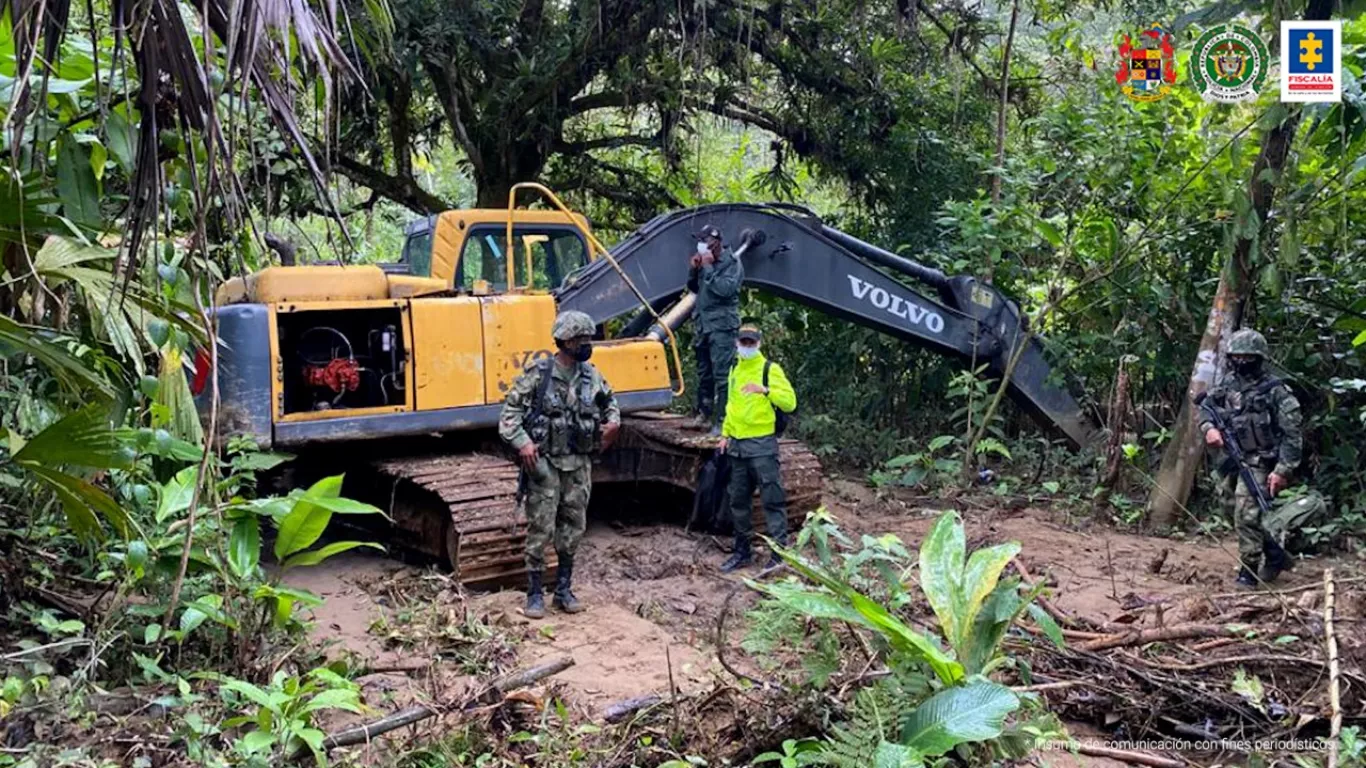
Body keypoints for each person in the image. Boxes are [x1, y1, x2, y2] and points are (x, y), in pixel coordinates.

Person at [499, 310, 621, 618]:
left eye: (588, 339)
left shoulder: (591, 375)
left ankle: (563, 590)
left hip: (579, 464)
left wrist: (613, 423)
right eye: (581, 339)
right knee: (540, 527)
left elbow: (611, 404)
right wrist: (523, 443)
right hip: (546, 463)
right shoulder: (539, 375)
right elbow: (509, 414)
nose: (586, 344)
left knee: (574, 527)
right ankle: (535, 593)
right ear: (565, 341)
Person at [1199, 328, 1303, 588]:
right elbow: (1205, 408)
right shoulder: (1227, 384)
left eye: (1248, 357)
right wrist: (1209, 429)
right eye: (1237, 356)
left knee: (1246, 514)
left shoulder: (1277, 391)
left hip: (1261, 461)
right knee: (1228, 506)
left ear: (1259, 358)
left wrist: (1282, 470)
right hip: (1233, 457)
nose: (1242, 362)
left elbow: (1293, 436)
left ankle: (1248, 571)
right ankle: (1275, 554)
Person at [718, 324, 796, 572]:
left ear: (759, 344)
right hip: (738, 446)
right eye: (744, 342)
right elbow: (732, 405)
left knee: (772, 499)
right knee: (738, 500)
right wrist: (725, 433)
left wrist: (766, 390)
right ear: (737, 343)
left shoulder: (769, 369)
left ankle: (779, 554)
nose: (747, 346)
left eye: (751, 343)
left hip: (762, 445)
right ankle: (743, 551)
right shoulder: (734, 369)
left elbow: (790, 402)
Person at [687, 224, 743, 436]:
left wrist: (709, 268)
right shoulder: (704, 261)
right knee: (704, 372)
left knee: (723, 375)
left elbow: (726, 290)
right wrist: (694, 270)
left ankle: (722, 421)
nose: (701, 245)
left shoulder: (732, 263)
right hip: (703, 324)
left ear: (716, 242)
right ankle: (703, 414)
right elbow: (694, 288)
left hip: (722, 327)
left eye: (704, 241)